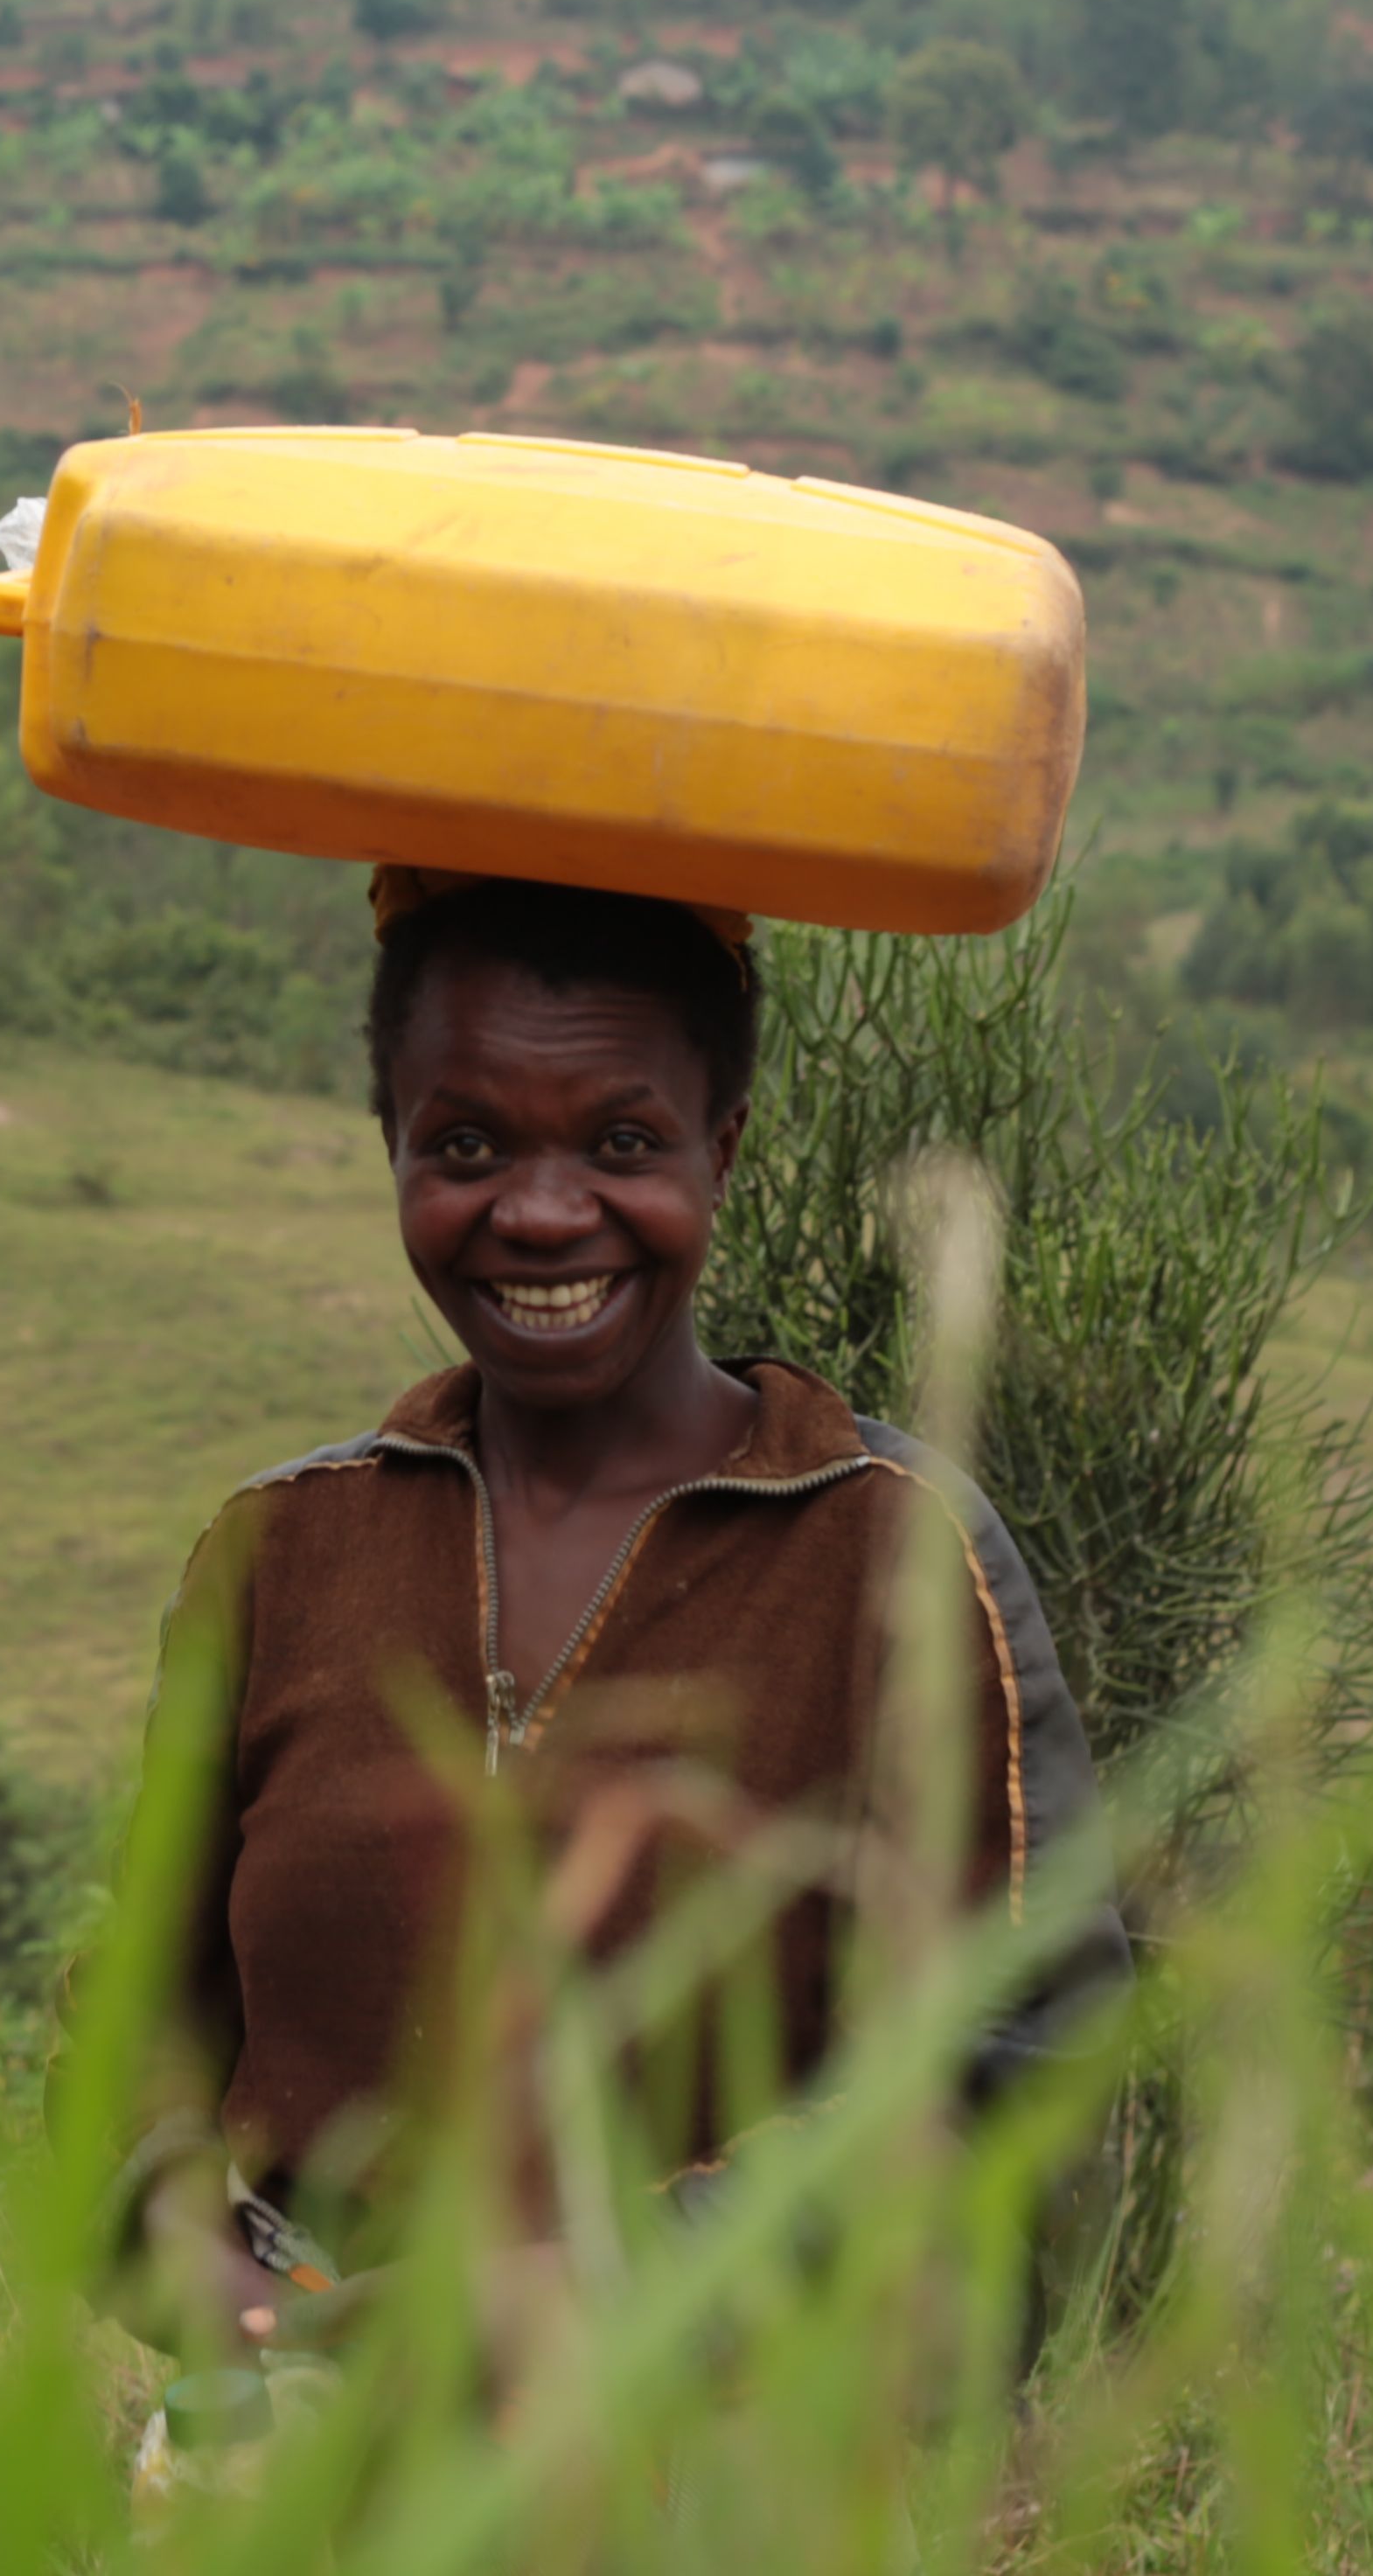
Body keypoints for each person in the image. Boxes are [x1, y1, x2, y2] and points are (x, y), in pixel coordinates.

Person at [118, 869, 1120, 2345]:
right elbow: (141, 2017)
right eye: (465, 1142)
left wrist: (590, 2299)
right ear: (390, 1141)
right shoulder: (283, 1554)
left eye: (622, 1142)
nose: (539, 1211)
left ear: (724, 1147)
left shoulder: (890, 1561)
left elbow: (1015, 2070)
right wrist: (169, 2227)